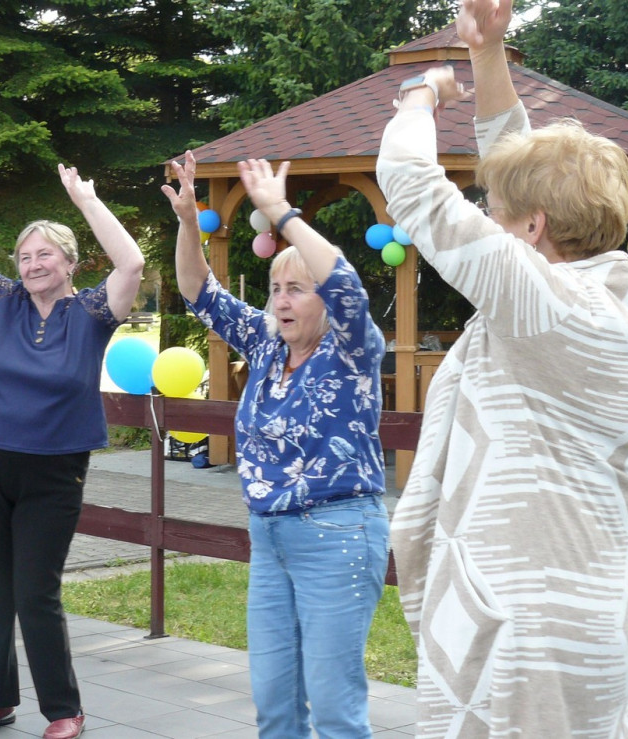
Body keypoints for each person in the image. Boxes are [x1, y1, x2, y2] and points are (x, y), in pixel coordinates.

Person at [375, 0, 628, 736]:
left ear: (532, 228)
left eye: (497, 212)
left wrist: (421, 92)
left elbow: (407, 180)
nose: (489, 218)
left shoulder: (551, 308)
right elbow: (513, 155)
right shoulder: (602, 303)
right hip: (584, 617)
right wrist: (488, 53)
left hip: (526, 632)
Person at [163, 151, 389, 738]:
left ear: (324, 302)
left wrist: (281, 212)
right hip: (270, 539)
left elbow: (345, 284)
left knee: (336, 709)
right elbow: (198, 290)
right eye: (275, 289)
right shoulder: (266, 347)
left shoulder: (352, 351)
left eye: (297, 289)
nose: (282, 301)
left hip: (337, 534)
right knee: (275, 706)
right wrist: (190, 222)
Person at [0, 134, 144, 739]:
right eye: (25, 256)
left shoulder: (92, 314)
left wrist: (86, 200)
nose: (32, 265)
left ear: (70, 263)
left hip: (55, 470)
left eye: (45, 255)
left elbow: (130, 263)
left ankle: (64, 711)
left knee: (36, 594)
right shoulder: (1, 303)